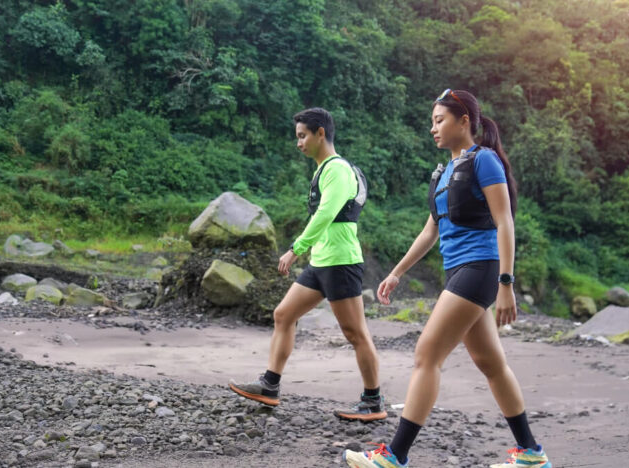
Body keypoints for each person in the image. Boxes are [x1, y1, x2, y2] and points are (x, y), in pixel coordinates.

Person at [343, 90, 551, 468]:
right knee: (491, 363)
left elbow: (505, 221)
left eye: (440, 120)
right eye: (432, 121)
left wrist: (506, 282)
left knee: (426, 355)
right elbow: (429, 233)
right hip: (458, 270)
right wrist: (396, 272)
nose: (432, 128)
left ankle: (395, 456)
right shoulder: (443, 173)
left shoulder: (483, 161)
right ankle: (531, 454)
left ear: (464, 121)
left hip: (481, 267)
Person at [229, 107, 386, 421]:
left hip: (341, 262)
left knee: (355, 334)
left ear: (320, 134)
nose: (298, 142)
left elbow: (326, 214)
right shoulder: (323, 169)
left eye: (302, 136)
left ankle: (372, 401)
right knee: (284, 314)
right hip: (322, 261)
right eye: (297, 136)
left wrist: (295, 249)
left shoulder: (338, 169)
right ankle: (269, 385)